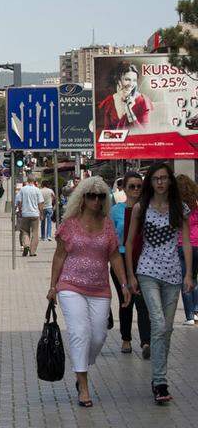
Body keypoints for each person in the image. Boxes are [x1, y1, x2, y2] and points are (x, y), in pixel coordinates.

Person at [47, 175, 130, 408]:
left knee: (98, 336)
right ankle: (82, 385)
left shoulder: (108, 224)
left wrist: (123, 284)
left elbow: (114, 255)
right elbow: (59, 255)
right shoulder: (70, 224)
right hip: (70, 286)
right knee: (79, 332)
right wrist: (53, 286)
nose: (96, 200)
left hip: (100, 288)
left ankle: (82, 361)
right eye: (91, 196)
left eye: (100, 196)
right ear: (82, 198)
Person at [124, 162, 194, 404]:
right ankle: (160, 381)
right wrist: (131, 276)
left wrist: (188, 274)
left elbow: (185, 241)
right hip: (147, 272)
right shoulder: (141, 208)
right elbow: (130, 242)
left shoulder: (180, 208)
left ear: (170, 181)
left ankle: (158, 379)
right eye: (156, 179)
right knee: (158, 323)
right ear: (150, 182)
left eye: (164, 178)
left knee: (168, 328)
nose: (161, 182)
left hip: (173, 275)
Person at [110, 170, 151, 357]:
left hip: (142, 261)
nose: (135, 190)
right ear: (124, 189)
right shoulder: (115, 211)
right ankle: (126, 339)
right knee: (126, 301)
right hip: (119, 261)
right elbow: (110, 238)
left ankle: (146, 342)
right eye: (131, 186)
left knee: (143, 302)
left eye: (138, 186)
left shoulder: (148, 208)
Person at [96, 61, 152, 132]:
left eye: (134, 80)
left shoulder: (143, 101)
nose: (131, 84)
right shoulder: (109, 101)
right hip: (117, 142)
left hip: (136, 142)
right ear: (118, 80)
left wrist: (129, 110)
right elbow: (107, 132)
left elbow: (144, 133)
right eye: (127, 79)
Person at [175, 174, 198, 326]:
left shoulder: (176, 205)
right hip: (197, 243)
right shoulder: (196, 203)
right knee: (195, 278)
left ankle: (190, 316)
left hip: (181, 244)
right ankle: (197, 310)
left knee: (186, 279)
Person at [15, 177, 45, 257]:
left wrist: (20, 211)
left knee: (25, 231)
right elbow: (40, 204)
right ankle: (32, 252)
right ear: (34, 181)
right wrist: (41, 214)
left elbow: (19, 202)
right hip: (35, 214)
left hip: (25, 214)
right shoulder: (37, 190)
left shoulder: (23, 189)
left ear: (27, 181)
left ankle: (26, 245)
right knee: (35, 233)